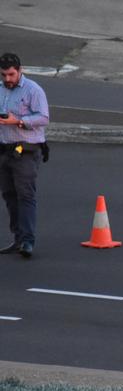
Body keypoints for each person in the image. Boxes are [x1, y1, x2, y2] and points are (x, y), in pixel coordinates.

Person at [0, 53, 50, 259]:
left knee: (25, 195)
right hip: (4, 149)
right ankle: (18, 238)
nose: (7, 79)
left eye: (11, 74)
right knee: (9, 195)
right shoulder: (1, 89)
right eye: (3, 75)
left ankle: (28, 241)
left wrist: (18, 121)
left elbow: (44, 117)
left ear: (20, 71)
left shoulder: (33, 90)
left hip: (26, 150)